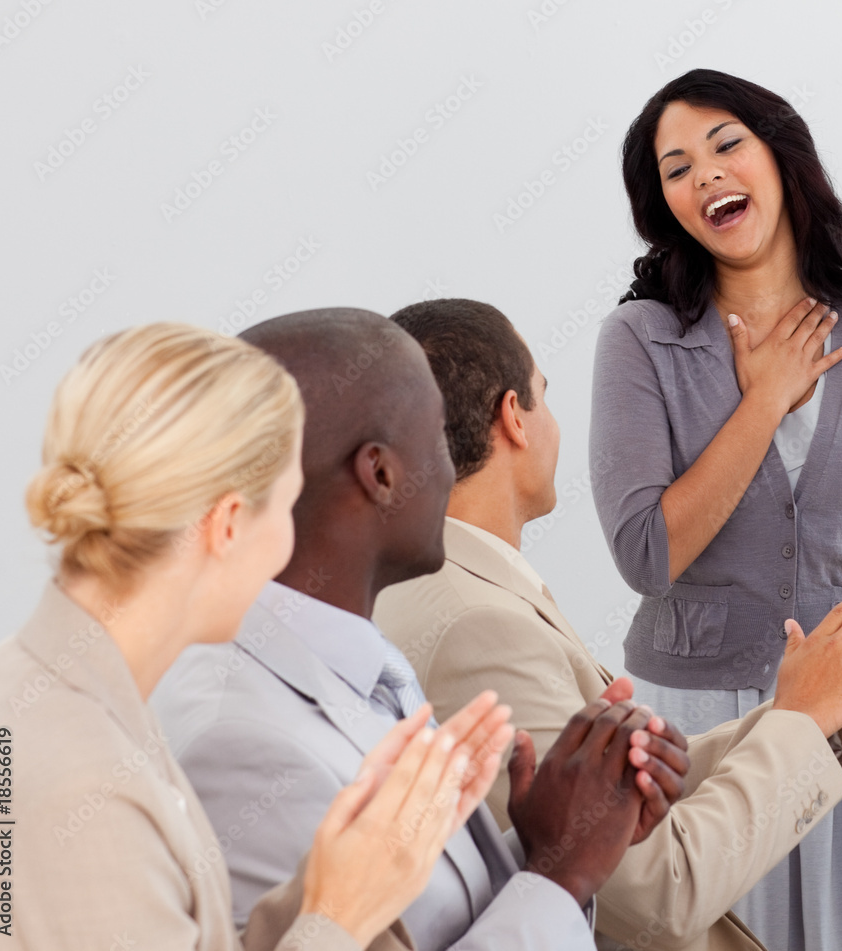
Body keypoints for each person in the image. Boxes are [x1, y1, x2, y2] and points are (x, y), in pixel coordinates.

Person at [373, 297, 842, 951]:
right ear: (514, 418)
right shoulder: (477, 626)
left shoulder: (460, 592)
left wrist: (813, 705)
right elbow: (656, 892)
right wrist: (804, 721)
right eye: (544, 395)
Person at [152, 307, 679, 951]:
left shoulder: (352, 662)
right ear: (380, 473)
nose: (455, 465)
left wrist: (549, 839)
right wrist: (558, 877)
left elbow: (419, 927)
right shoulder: (242, 744)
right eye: (436, 435)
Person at [0, 322, 517, 951]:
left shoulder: (69, 699)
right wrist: (337, 915)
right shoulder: (81, 781)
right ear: (230, 525)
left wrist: (335, 879)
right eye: (289, 507)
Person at [589, 68, 842, 951]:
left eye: (725, 146)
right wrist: (763, 403)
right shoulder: (641, 339)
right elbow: (646, 553)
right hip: (692, 728)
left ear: (780, 159)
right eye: (675, 168)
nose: (703, 175)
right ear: (664, 203)